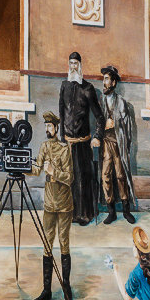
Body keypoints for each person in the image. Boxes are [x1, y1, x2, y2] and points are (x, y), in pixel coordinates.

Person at [31, 111, 74, 300]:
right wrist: (21, 165)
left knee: (63, 243)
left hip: (64, 204)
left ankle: (66, 286)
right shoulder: (43, 147)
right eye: (46, 126)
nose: (47, 129)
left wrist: (53, 171)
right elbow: (36, 169)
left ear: (56, 128)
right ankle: (46, 289)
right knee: (47, 244)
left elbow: (70, 178)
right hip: (49, 203)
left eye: (50, 126)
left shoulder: (65, 149)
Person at [58, 52, 104, 225]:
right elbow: (61, 113)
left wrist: (97, 136)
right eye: (70, 63)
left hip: (83, 144)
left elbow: (99, 117)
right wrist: (61, 139)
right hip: (67, 143)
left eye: (76, 63)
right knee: (68, 179)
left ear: (80, 65)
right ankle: (70, 213)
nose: (73, 67)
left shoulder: (88, 89)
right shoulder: (64, 86)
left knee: (83, 179)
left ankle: (84, 215)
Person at [95, 65, 137, 225]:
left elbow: (128, 129)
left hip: (118, 144)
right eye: (103, 79)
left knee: (121, 176)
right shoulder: (100, 101)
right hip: (105, 144)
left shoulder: (121, 103)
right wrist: (104, 126)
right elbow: (96, 123)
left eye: (106, 79)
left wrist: (115, 123)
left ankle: (126, 211)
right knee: (105, 176)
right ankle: (111, 211)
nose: (104, 82)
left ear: (113, 82)